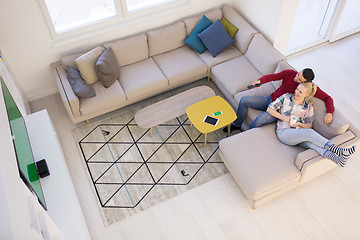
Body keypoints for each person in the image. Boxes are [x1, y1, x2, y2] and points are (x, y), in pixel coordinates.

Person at [267, 82, 356, 167]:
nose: (296, 92)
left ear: (306, 95)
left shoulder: (308, 107)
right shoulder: (286, 97)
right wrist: (283, 118)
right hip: (284, 132)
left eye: (300, 92)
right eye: (297, 89)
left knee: (312, 144)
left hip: (298, 134)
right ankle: (340, 150)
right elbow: (270, 109)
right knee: (309, 133)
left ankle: (337, 160)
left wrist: (298, 124)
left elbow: (309, 125)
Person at [223, 68, 334, 133]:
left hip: (278, 110)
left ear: (305, 83)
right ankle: (237, 124)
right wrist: (259, 81)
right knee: (244, 100)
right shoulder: (290, 73)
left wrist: (329, 113)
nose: (296, 78)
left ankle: (245, 137)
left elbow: (327, 98)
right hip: (269, 99)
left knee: (258, 121)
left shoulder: (307, 89)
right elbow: (273, 77)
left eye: (299, 79)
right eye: (298, 74)